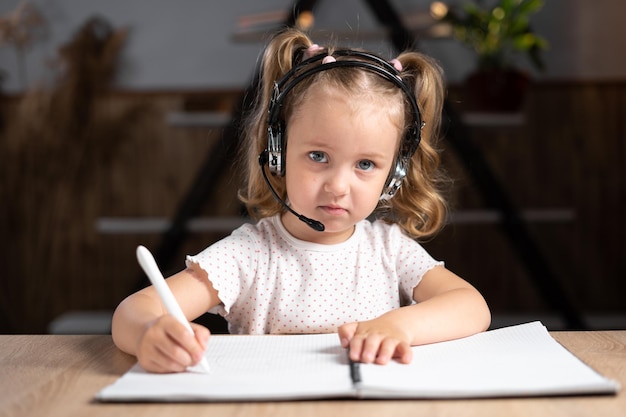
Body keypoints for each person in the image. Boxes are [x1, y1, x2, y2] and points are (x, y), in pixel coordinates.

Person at [111, 28, 491, 373]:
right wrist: (150, 333)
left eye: (365, 164)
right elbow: (132, 312)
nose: (338, 186)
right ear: (277, 153)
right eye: (318, 157)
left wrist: (398, 325)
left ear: (394, 173)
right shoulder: (251, 254)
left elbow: (472, 306)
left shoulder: (389, 250)